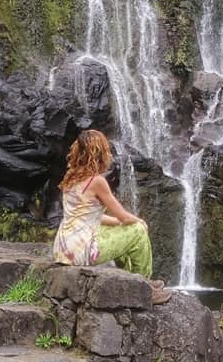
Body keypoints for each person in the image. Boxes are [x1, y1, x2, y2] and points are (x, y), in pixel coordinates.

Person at [52, 129, 172, 304]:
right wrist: (139, 221)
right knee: (137, 231)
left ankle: (131, 279)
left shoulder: (71, 178)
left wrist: (117, 223)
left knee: (118, 228)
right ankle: (144, 289)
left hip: (63, 248)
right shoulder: (96, 181)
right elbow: (124, 217)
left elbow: (90, 217)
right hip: (81, 252)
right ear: (101, 154)